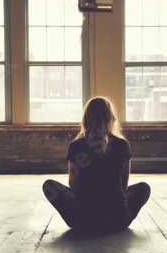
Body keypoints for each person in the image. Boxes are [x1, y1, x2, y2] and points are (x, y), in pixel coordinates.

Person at [42, 97, 151, 234]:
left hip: (81, 221)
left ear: (86, 119)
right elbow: (124, 187)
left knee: (49, 185)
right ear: (111, 117)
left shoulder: (75, 145)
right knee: (143, 187)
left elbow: (73, 185)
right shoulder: (123, 144)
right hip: (117, 219)